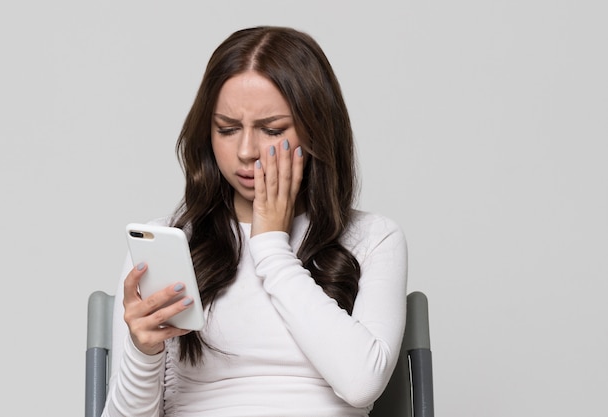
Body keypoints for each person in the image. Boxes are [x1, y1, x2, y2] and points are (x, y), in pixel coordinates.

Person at [102, 26, 407, 417]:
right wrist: (144, 352)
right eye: (226, 129)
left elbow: (361, 384)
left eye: (271, 130)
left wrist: (270, 245)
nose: (246, 151)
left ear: (316, 130)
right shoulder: (171, 245)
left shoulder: (373, 238)